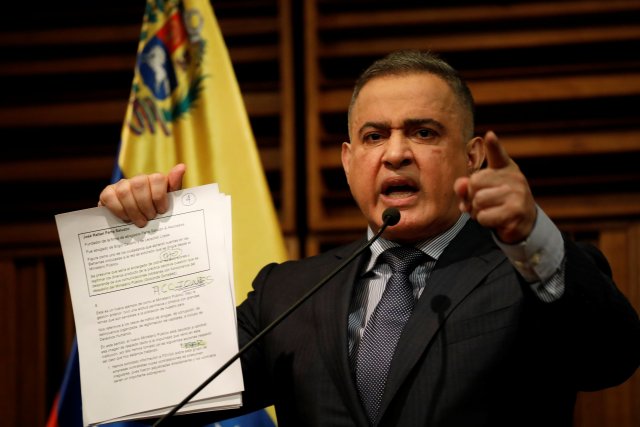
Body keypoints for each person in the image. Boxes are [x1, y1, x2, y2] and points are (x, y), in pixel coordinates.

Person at [99, 50, 640, 426]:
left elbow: (611, 357)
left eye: (423, 132)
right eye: (374, 136)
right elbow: (159, 397)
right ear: (349, 160)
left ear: (472, 156)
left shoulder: (531, 272)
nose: (396, 152)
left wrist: (531, 236)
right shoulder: (286, 293)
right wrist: (143, 245)